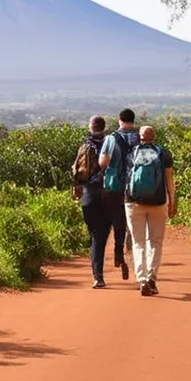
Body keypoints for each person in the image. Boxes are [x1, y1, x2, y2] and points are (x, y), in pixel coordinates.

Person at [124, 126, 175, 297]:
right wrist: (172, 201)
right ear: (154, 136)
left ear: (139, 136)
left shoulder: (131, 153)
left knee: (138, 243)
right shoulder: (163, 153)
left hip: (133, 202)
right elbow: (169, 180)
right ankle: (152, 278)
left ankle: (142, 280)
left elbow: (126, 178)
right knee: (155, 242)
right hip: (158, 203)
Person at [98, 108, 139, 280]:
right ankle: (132, 257)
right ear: (133, 120)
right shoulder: (140, 137)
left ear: (120, 120)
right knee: (135, 224)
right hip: (136, 188)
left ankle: (118, 253)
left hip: (114, 186)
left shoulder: (111, 139)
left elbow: (103, 163)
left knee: (117, 220)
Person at [71, 116, 111, 288]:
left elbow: (76, 172)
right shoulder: (111, 145)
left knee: (95, 234)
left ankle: (98, 276)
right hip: (109, 194)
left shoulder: (85, 146)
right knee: (102, 234)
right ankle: (104, 269)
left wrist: (76, 190)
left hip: (89, 195)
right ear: (104, 127)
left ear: (90, 127)